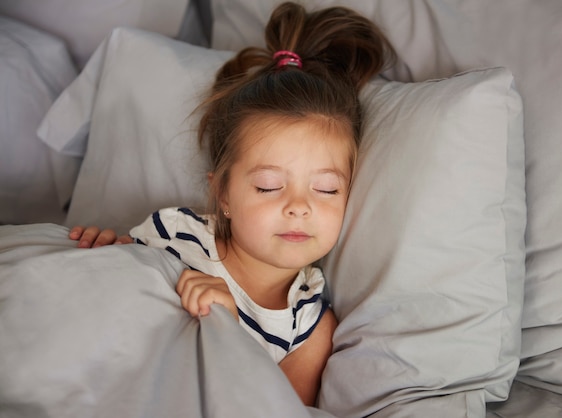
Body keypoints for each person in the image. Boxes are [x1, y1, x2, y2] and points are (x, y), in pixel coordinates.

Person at [69, 1, 394, 406]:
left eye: (326, 189)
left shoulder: (309, 326)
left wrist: (229, 332)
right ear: (223, 194)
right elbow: (111, 317)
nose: (298, 206)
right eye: (269, 186)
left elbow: (273, 409)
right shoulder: (176, 236)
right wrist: (100, 256)